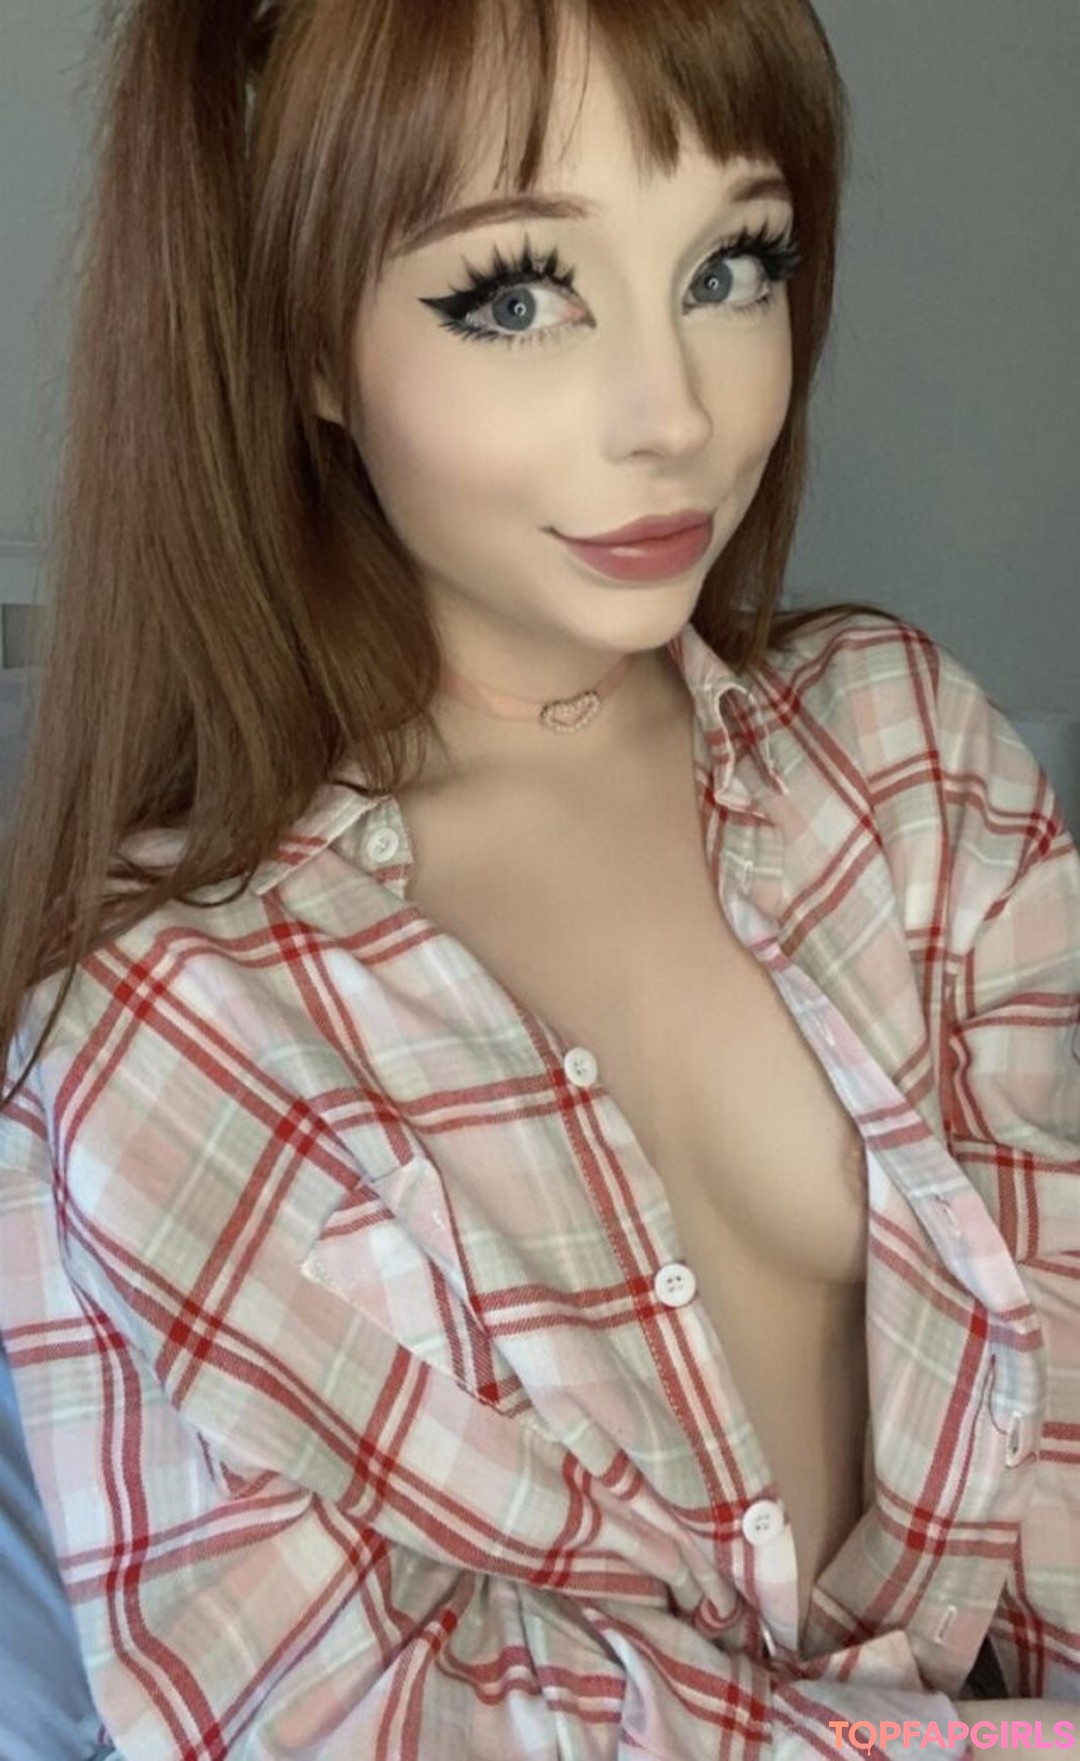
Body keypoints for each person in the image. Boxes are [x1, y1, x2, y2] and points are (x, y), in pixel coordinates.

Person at [0, 0, 1077, 1755]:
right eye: (514, 293)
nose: (675, 412)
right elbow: (352, 1713)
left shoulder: (908, 758)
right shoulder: (174, 1028)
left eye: (734, 264)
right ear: (308, 343)